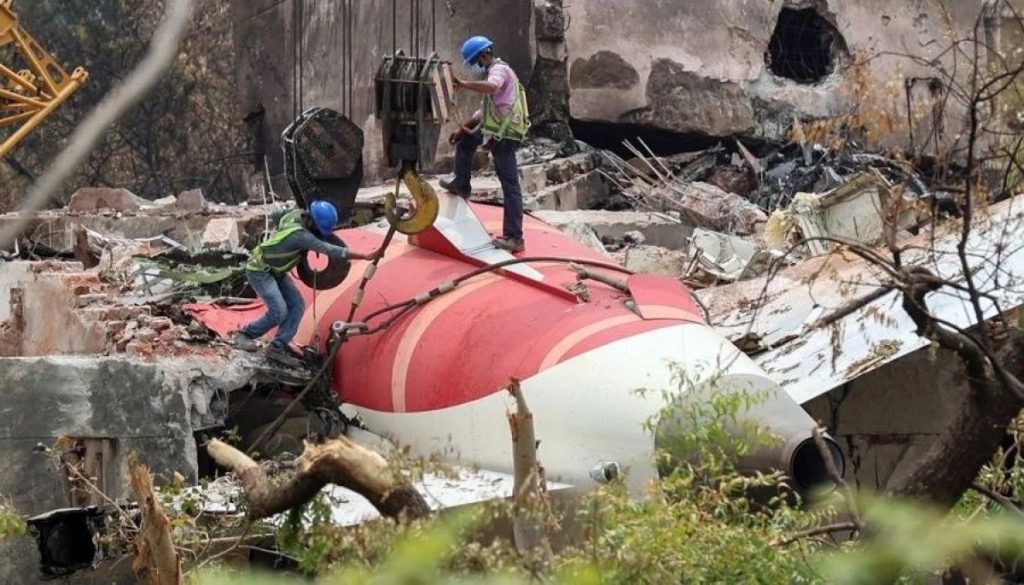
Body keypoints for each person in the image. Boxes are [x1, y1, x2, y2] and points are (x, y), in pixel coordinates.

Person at [233, 200, 374, 364]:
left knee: (297, 304)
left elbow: (277, 215)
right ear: (311, 222)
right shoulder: (301, 236)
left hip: (275, 270)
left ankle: (277, 347)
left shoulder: (295, 214)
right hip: (260, 271)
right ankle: (245, 335)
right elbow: (330, 250)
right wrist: (365, 256)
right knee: (279, 310)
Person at [440, 35, 531, 253]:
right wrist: (464, 127)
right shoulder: (496, 72)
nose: (476, 66)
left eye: (476, 62)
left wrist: (462, 84)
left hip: (504, 134)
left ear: (483, 55)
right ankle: (461, 183)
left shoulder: (498, 71)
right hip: (497, 128)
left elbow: (491, 88)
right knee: (466, 139)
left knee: (510, 186)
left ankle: (514, 237)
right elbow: (486, 110)